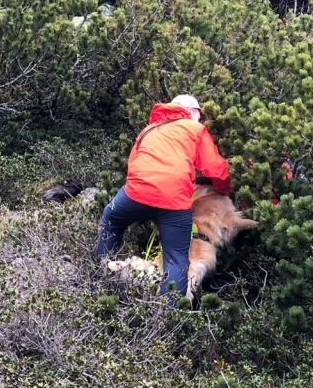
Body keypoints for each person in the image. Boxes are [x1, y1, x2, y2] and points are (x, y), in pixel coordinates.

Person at [95, 94, 232, 298]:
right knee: (177, 259)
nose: (201, 119)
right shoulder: (195, 129)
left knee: (111, 220)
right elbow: (216, 169)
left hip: (135, 194)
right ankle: (170, 313)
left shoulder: (148, 130)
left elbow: (132, 165)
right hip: (175, 204)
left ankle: (99, 277)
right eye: (199, 114)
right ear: (192, 112)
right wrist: (223, 190)